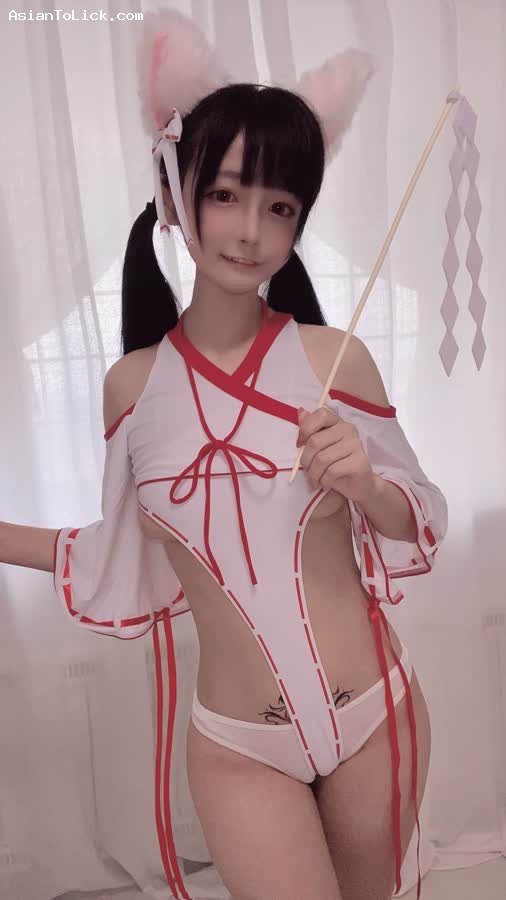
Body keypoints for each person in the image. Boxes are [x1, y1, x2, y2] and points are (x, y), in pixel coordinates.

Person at [0, 10, 448, 900]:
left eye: (280, 208)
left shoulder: (334, 359)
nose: (250, 231)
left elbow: (419, 513)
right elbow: (112, 550)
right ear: (177, 196)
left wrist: (366, 484)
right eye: (226, 195)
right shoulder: (131, 388)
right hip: (240, 746)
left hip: (377, 716)